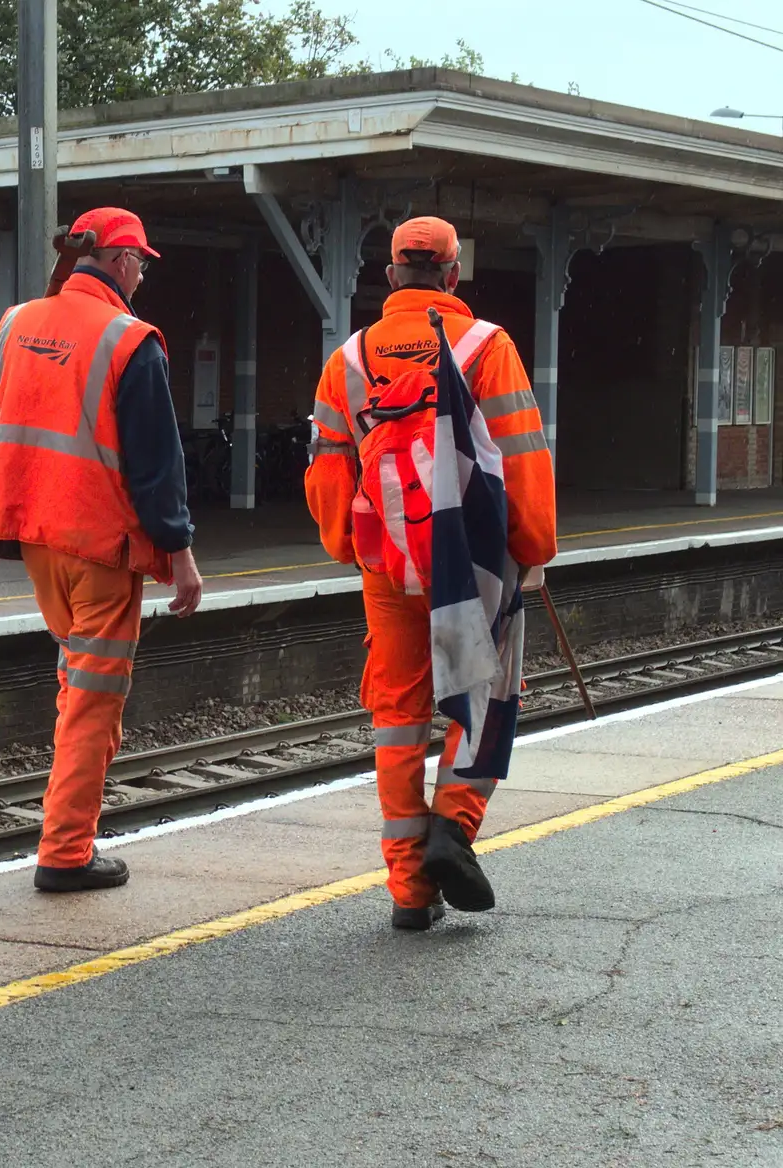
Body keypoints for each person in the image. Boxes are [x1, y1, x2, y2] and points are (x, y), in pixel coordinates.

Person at [305, 216, 556, 930]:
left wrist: (351, 549)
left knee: (397, 717)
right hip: (474, 564)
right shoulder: (486, 346)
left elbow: (328, 478)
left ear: (389, 276)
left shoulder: (348, 361)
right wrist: (533, 548)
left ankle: (409, 891)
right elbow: (522, 456)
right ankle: (454, 829)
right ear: (453, 276)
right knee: (484, 695)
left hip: (387, 566)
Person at [0, 206, 202, 893]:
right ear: (122, 261)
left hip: (33, 535)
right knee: (95, 698)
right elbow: (158, 466)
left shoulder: (14, 324)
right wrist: (179, 557)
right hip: (100, 542)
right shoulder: (131, 340)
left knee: (78, 683)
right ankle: (66, 852)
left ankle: (71, 833)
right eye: (144, 264)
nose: (144, 276)